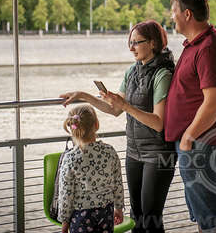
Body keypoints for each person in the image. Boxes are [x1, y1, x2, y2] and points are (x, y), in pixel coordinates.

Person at [59, 20, 176, 233]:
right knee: (136, 214)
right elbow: (114, 109)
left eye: (136, 43)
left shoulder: (163, 75)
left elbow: (159, 123)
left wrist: (126, 106)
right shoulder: (132, 71)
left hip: (158, 153)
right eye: (129, 43)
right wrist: (84, 96)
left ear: (152, 43)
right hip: (134, 151)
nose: (131, 48)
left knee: (151, 217)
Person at [164, 0, 216, 233]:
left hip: (201, 145)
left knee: (214, 219)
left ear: (187, 14)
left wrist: (188, 137)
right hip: (195, 146)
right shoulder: (195, 45)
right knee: (205, 216)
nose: (171, 17)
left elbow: (214, 104)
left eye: (173, 12)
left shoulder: (209, 48)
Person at [57, 105, 124, 233]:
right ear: (97, 124)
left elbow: (66, 194)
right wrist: (119, 209)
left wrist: (64, 224)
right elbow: (117, 184)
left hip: (81, 215)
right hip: (106, 213)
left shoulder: (70, 158)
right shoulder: (110, 151)